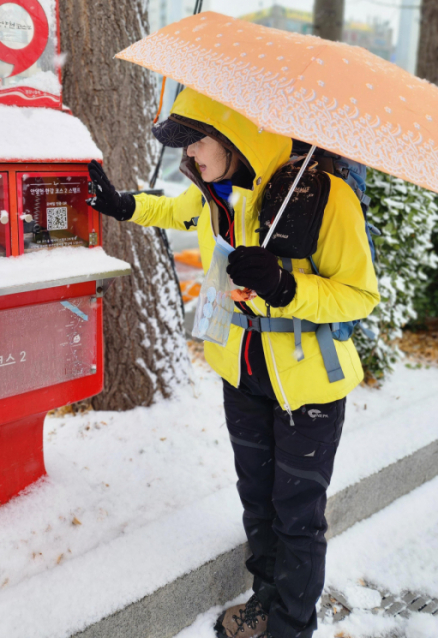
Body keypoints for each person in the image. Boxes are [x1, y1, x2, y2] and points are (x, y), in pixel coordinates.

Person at [87, 87, 379, 638]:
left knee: (297, 518)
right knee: (259, 504)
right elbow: (173, 209)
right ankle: (264, 601)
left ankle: (292, 628)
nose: (191, 155)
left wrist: (285, 286)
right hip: (241, 375)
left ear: (232, 136)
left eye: (197, 141)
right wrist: (122, 204)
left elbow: (359, 295)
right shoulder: (215, 195)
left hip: (308, 386)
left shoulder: (323, 197)